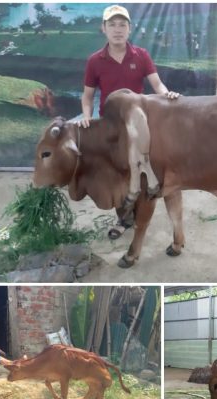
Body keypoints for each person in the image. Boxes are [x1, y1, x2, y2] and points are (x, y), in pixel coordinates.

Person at [80, 5, 180, 240]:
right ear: (103, 29)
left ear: (130, 29)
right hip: (111, 127)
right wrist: (86, 115)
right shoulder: (95, 60)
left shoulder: (141, 55)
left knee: (145, 168)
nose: (118, 29)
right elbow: (87, 96)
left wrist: (167, 95)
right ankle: (124, 219)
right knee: (119, 173)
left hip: (140, 125)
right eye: (112, 25)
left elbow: (157, 85)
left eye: (122, 24)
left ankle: (142, 215)